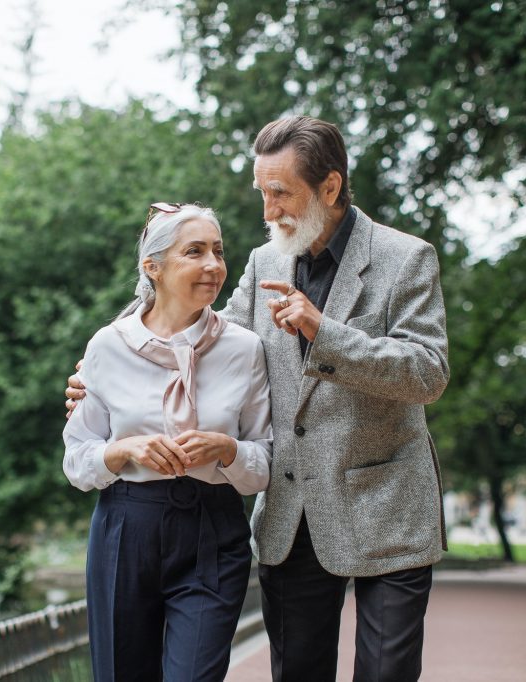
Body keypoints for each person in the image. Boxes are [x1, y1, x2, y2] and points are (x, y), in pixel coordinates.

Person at [68, 116, 449, 682]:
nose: (268, 211)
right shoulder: (266, 261)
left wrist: (326, 332)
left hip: (386, 507)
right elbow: (203, 339)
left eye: (281, 193)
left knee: (387, 673)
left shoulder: (406, 259)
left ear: (330, 187)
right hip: (291, 514)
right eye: (262, 192)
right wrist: (110, 365)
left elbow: (428, 373)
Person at [62, 203, 272, 682]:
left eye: (218, 251)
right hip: (125, 528)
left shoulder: (245, 348)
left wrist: (227, 449)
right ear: (151, 267)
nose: (213, 265)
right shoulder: (106, 347)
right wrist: (124, 451)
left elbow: (265, 463)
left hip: (213, 531)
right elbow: (77, 460)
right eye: (194, 252)